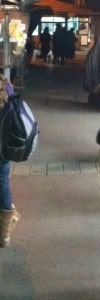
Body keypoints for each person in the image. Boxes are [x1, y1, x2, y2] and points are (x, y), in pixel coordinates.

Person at [0, 75, 20, 248]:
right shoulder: (6, 85)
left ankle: (5, 229)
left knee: (2, 182)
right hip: (4, 148)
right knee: (2, 181)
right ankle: (5, 226)